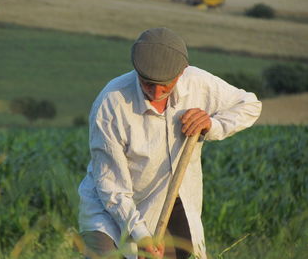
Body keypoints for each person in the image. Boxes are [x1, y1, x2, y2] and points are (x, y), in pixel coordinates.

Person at [78, 27, 262, 259]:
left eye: (165, 84)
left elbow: (249, 105)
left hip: (169, 201)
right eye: (147, 83)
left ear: (182, 72)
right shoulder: (111, 103)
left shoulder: (197, 82)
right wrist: (141, 236)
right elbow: (112, 188)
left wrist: (211, 125)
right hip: (110, 208)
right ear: (136, 71)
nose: (156, 93)